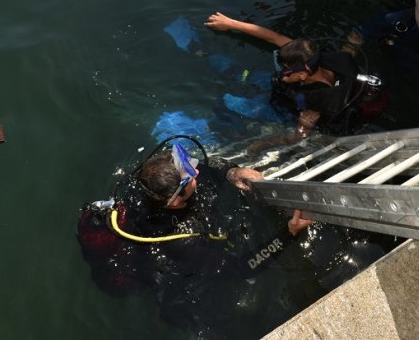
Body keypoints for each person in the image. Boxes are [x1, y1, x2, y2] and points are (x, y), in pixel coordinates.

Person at [77, 136, 313, 334]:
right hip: (178, 273)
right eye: (189, 173)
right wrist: (288, 233)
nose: (197, 170)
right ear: (175, 201)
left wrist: (231, 172)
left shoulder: (148, 181)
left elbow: (204, 167)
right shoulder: (182, 242)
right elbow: (242, 267)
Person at [204, 12, 385, 143]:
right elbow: (274, 38)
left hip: (288, 109)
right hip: (297, 88)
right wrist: (231, 23)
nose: (281, 74)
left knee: (227, 102)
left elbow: (300, 135)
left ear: (303, 74)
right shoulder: (321, 58)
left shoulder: (315, 104)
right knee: (238, 73)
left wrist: (260, 146)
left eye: (285, 71)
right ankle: (203, 53)